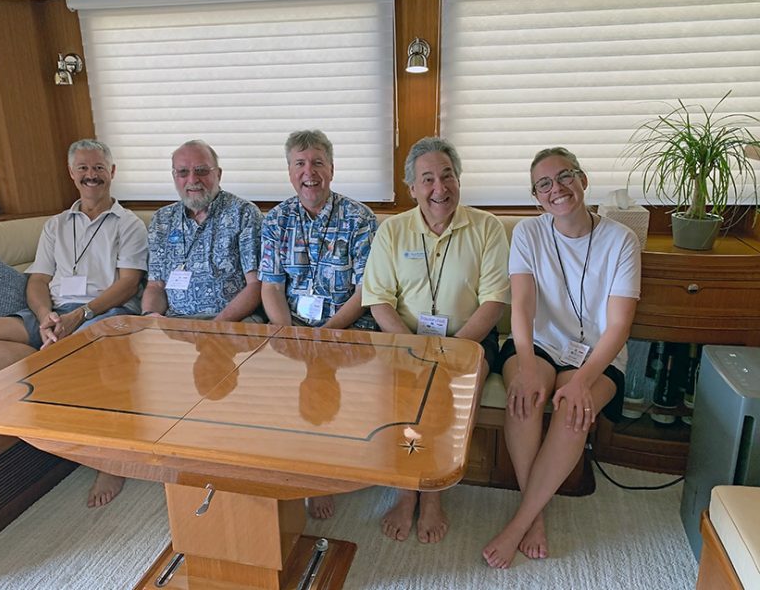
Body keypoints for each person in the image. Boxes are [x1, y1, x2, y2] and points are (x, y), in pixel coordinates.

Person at [0, 138, 148, 508]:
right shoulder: (56, 225)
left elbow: (127, 283)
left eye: (98, 168)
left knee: (79, 351)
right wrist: (46, 316)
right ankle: (52, 372)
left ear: (112, 173)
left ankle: (110, 458)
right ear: (71, 173)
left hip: (105, 314)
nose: (91, 176)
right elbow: (38, 280)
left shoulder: (128, 225)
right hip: (55, 312)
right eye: (83, 168)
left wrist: (82, 314)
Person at [482, 147, 641, 568]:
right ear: (537, 197)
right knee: (525, 397)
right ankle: (533, 514)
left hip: (597, 353)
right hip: (539, 343)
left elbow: (619, 326)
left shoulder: (621, 240)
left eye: (566, 176)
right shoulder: (528, 234)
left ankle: (521, 521)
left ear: (583, 180)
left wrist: (581, 380)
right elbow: (522, 307)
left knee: (574, 408)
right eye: (545, 184)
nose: (558, 189)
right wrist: (527, 365)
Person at [362, 136, 510, 544]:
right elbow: (379, 301)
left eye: (447, 176)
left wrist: (450, 350)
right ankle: (407, 489)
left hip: (471, 340)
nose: (439, 188)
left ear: (459, 180)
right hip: (403, 339)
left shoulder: (487, 228)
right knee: (401, 393)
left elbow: (494, 301)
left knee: (452, 390)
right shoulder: (392, 231)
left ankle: (432, 495)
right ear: (412, 188)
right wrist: (416, 349)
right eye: (427, 179)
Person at [259, 129, 378, 519]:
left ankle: (324, 474)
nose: (309, 172)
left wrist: (325, 335)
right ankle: (292, 469)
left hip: (347, 327)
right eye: (299, 164)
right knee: (272, 381)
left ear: (331, 168)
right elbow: (271, 286)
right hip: (288, 326)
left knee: (327, 376)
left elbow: (365, 291)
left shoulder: (359, 218)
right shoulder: (276, 220)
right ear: (290, 171)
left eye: (317, 163)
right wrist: (288, 334)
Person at [141, 140, 263, 321]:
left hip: (233, 321)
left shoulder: (243, 213)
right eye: (183, 172)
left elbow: (256, 285)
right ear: (174, 176)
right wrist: (151, 317)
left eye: (201, 171)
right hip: (175, 322)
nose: (192, 180)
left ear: (218, 174)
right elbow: (156, 286)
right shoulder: (162, 219)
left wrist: (215, 326)